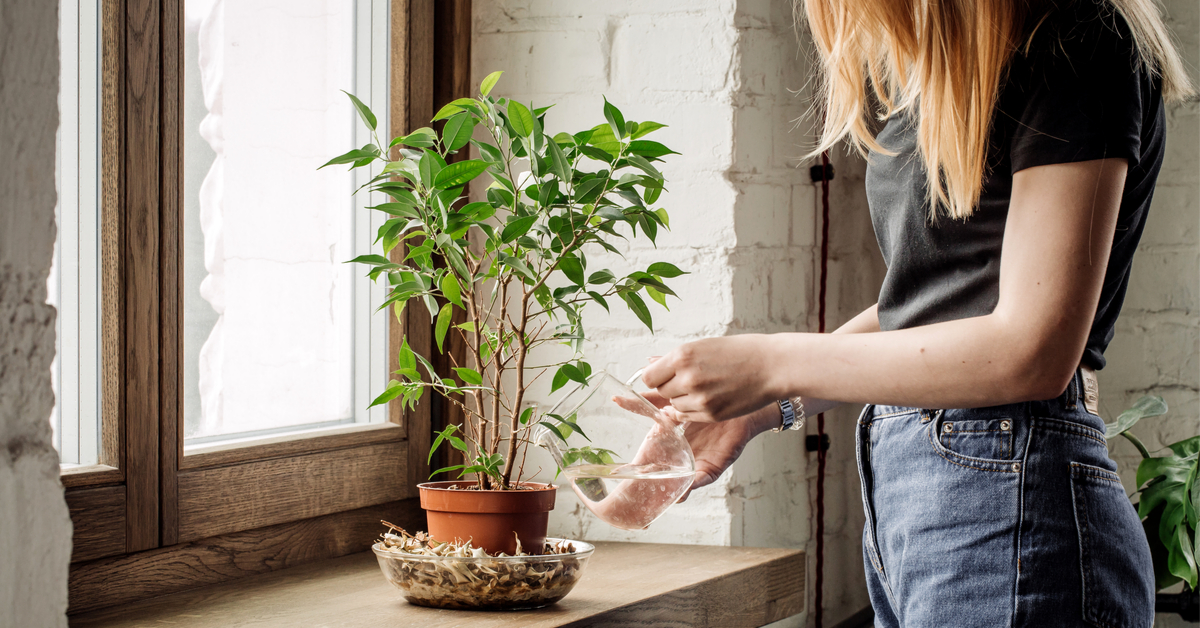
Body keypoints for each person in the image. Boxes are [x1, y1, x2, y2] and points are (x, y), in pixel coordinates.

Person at [640, 0, 1195, 625]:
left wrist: (772, 362)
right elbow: (932, 306)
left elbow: (1031, 352)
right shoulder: (943, 70)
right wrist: (761, 407)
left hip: (1013, 510)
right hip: (921, 512)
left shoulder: (1074, 32)